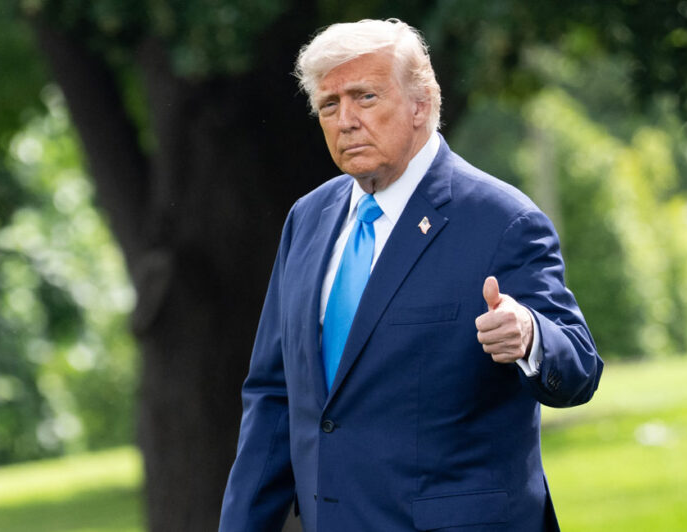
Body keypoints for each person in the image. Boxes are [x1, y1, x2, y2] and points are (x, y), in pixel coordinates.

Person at [220, 18, 603, 532]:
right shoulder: (306, 221)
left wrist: (531, 334)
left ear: (421, 103)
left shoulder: (502, 221)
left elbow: (579, 366)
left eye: (365, 97)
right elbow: (274, 396)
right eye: (329, 105)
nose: (345, 120)